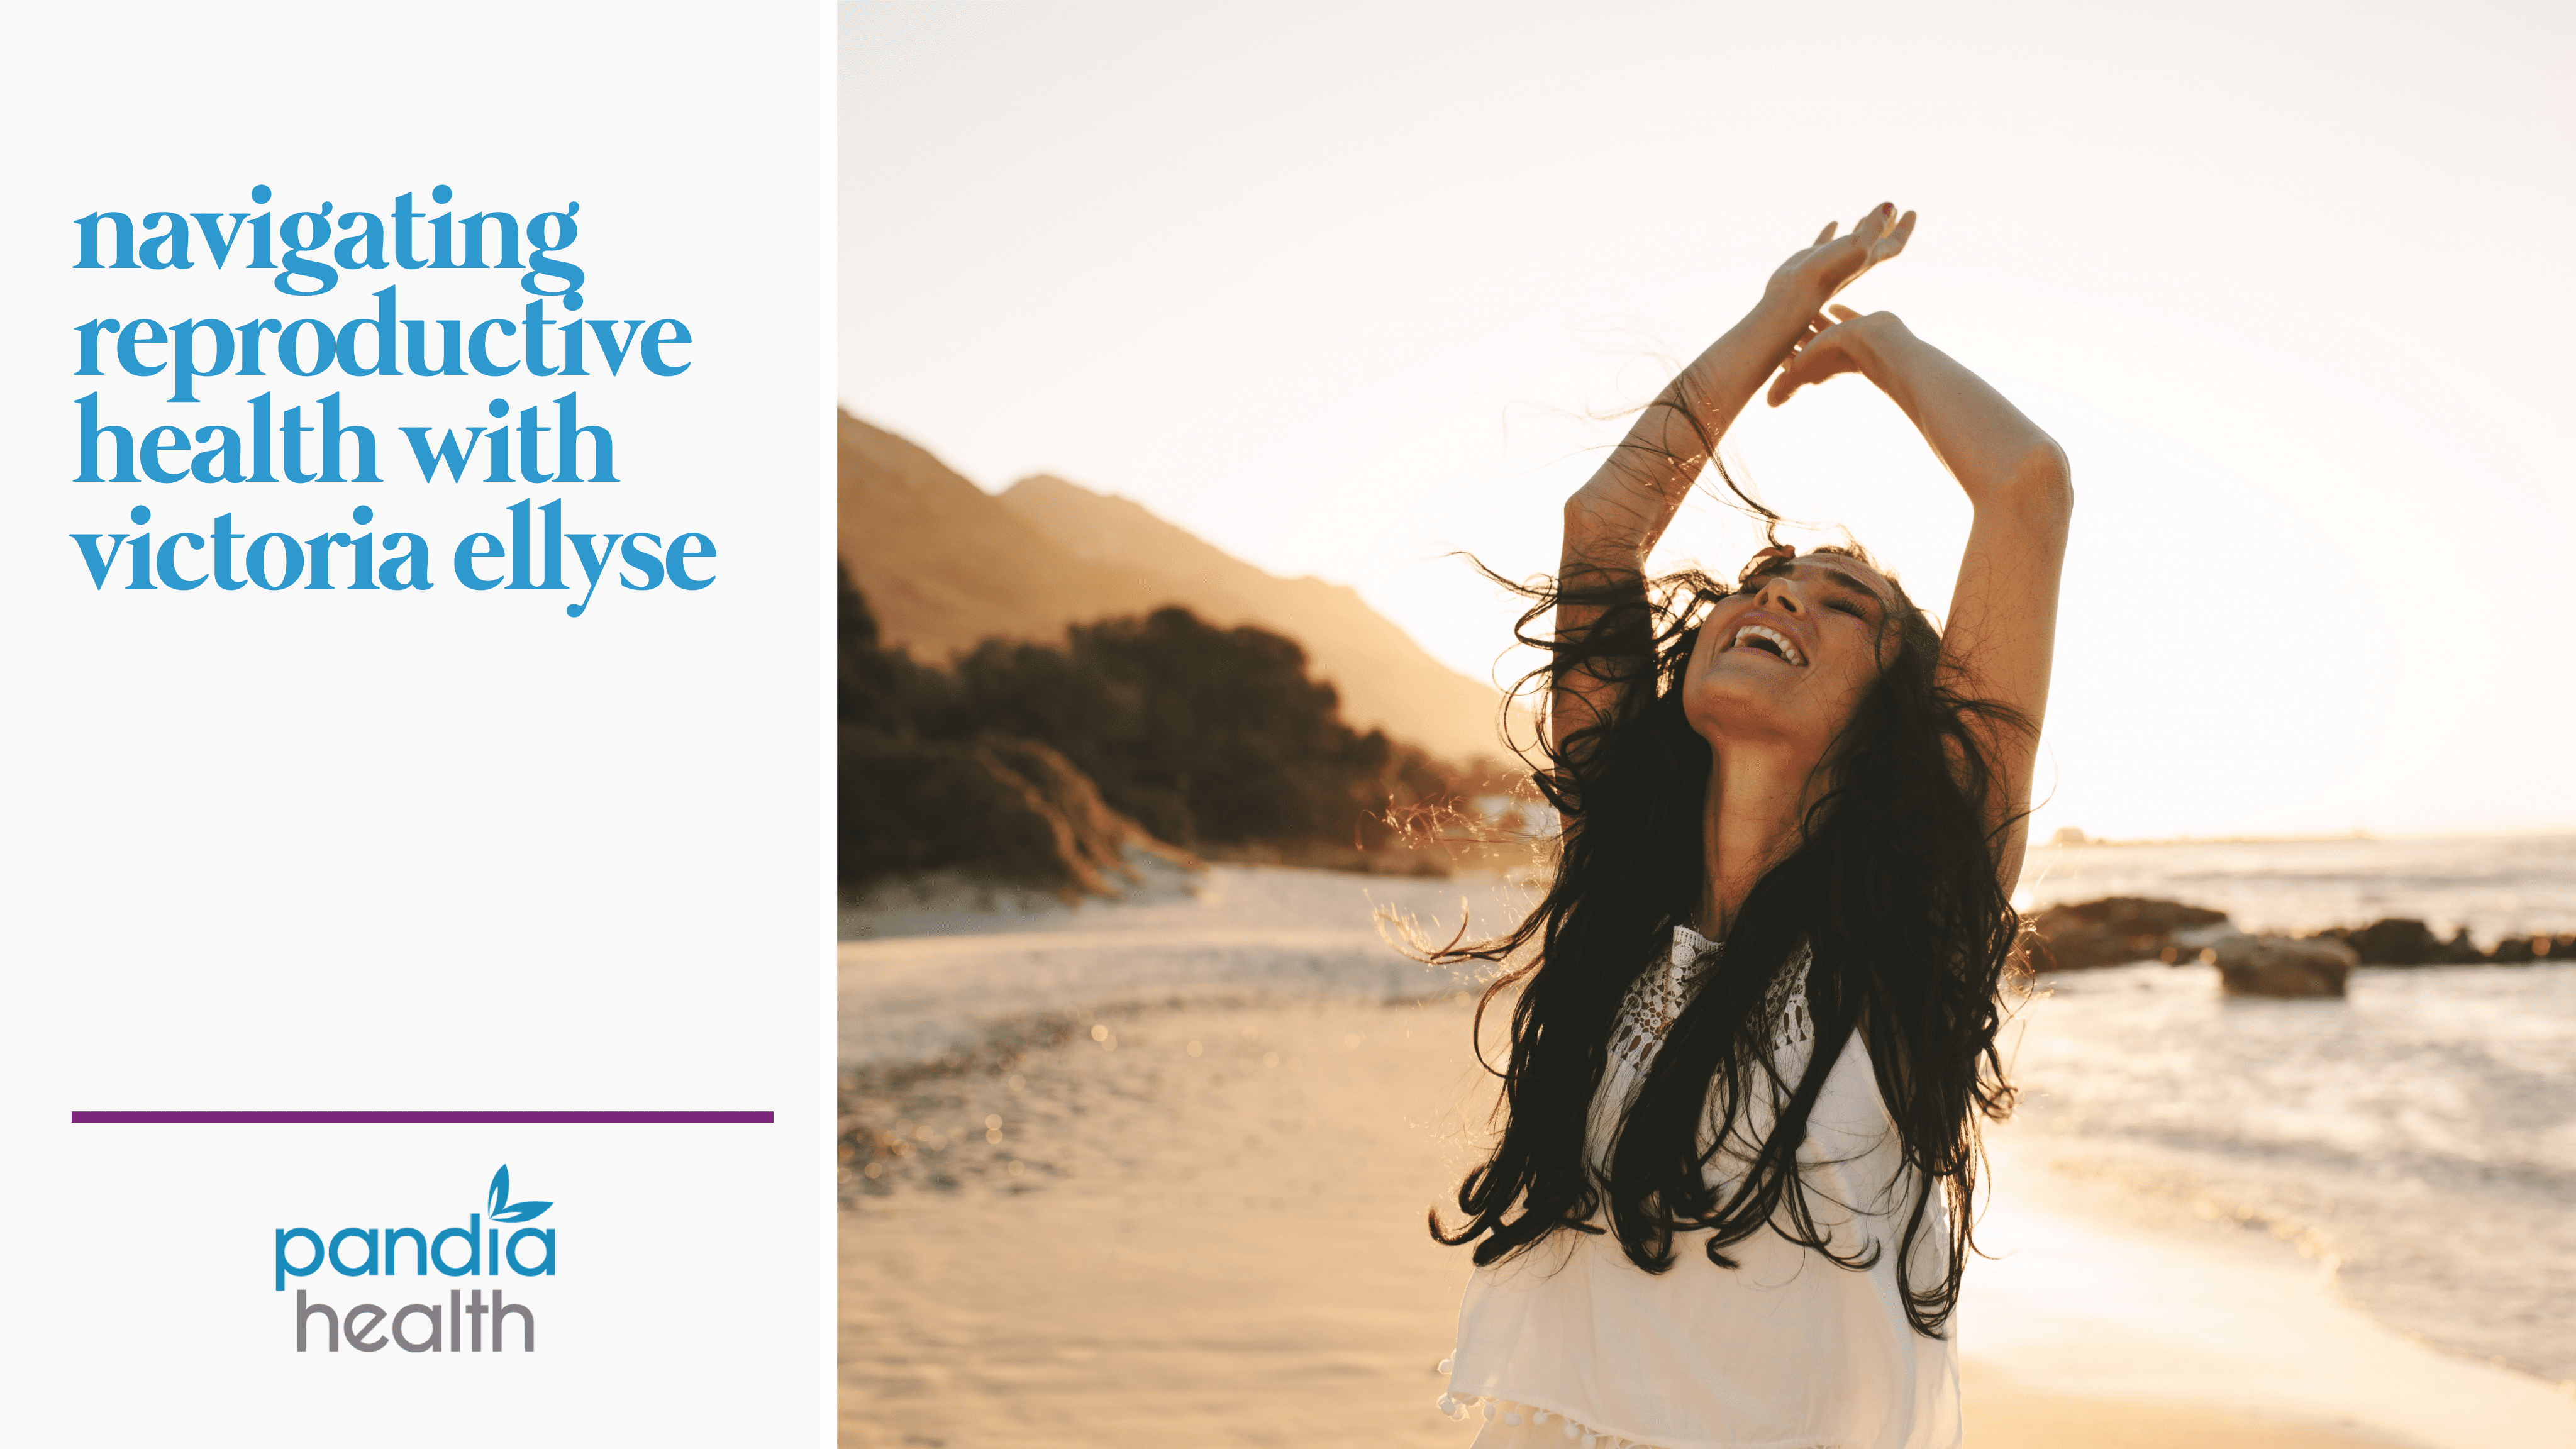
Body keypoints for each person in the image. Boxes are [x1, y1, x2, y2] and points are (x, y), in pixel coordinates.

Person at [1428, 203, 2072, 1449]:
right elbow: (1601, 527)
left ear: (1892, 716)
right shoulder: (1623, 890)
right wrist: (1769, 311)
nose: (1776, 597)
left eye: (1839, 605)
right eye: (1760, 586)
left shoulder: (1908, 930)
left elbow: (2024, 488)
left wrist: (1873, 343)